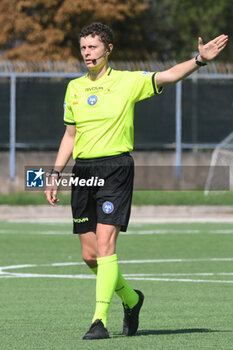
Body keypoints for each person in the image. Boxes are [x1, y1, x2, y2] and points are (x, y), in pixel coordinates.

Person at [44, 22, 228, 340]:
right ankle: (131, 299)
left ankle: (99, 321)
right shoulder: (74, 88)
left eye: (93, 47)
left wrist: (199, 60)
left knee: (105, 246)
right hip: (83, 173)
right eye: (84, 47)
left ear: (108, 49)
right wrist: (55, 173)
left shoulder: (128, 82)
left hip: (116, 169)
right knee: (89, 256)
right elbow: (70, 134)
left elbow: (167, 75)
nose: (87, 53)